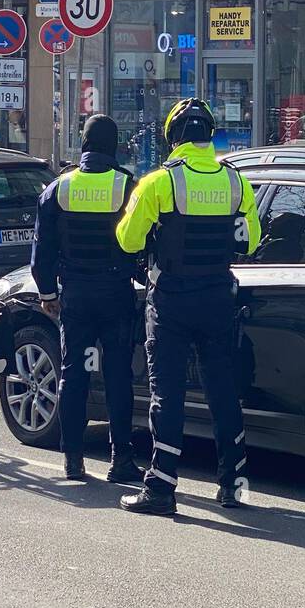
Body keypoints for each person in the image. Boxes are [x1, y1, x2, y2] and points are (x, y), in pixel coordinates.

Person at [116, 98, 260, 516]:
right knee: (222, 392)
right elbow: (249, 241)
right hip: (218, 298)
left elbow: (127, 240)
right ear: (210, 135)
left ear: (173, 137)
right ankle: (235, 484)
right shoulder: (237, 182)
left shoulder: (159, 183)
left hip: (172, 301)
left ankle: (161, 487)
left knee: (168, 394)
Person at [32, 114, 142, 482]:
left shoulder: (58, 188)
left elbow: (42, 250)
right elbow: (141, 241)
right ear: (113, 147)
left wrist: (48, 292)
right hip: (116, 293)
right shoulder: (128, 187)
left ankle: (73, 459)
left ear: (84, 144)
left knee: (73, 373)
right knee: (117, 376)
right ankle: (120, 459)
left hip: (75, 294)